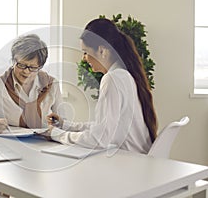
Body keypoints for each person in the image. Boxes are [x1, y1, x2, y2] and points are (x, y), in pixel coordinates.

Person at [41, 18, 158, 154]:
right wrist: (65, 125)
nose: (84, 58)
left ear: (102, 51)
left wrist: (56, 134)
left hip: (128, 163)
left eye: (86, 52)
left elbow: (99, 139)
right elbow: (103, 127)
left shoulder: (112, 79)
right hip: (136, 159)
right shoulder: (123, 75)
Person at [0, 34, 64, 134]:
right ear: (13, 61)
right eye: (21, 65)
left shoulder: (52, 84)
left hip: (46, 144)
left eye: (33, 68)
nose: (26, 72)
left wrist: (57, 125)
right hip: (7, 145)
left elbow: (65, 121)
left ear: (40, 66)